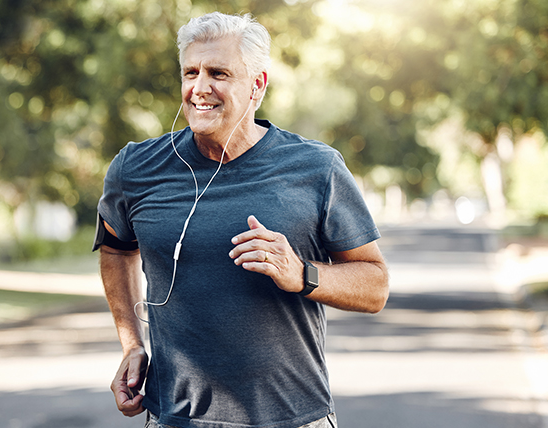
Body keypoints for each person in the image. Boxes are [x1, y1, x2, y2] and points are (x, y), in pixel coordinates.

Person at [94, 11, 389, 428]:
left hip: (293, 418)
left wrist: (300, 272)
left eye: (218, 73)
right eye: (190, 72)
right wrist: (131, 344)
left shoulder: (316, 168)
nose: (199, 88)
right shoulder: (136, 168)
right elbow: (115, 250)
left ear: (257, 85)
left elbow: (375, 286)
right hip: (175, 419)